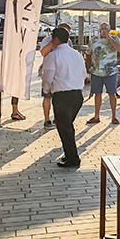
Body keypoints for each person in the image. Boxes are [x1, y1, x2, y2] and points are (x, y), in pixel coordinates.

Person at [41, 28, 87, 168]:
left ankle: (73, 158)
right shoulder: (77, 55)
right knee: (67, 126)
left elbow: (48, 77)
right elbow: (84, 74)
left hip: (62, 96)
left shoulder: (53, 56)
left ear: (55, 40)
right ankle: (70, 155)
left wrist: (47, 91)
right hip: (77, 95)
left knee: (65, 128)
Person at [86, 22, 120, 125]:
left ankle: (114, 116)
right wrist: (88, 67)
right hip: (96, 71)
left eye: (106, 27)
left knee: (112, 93)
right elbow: (88, 54)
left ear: (110, 29)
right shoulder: (93, 40)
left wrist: (109, 38)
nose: (103, 29)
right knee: (97, 94)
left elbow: (119, 49)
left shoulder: (115, 39)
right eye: (101, 27)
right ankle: (96, 116)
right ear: (98, 29)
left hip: (110, 71)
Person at [39, 22, 73, 129]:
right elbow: (43, 53)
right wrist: (52, 42)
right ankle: (47, 120)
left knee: (61, 98)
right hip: (49, 72)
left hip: (62, 73)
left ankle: (58, 118)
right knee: (47, 96)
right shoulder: (47, 40)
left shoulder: (68, 42)